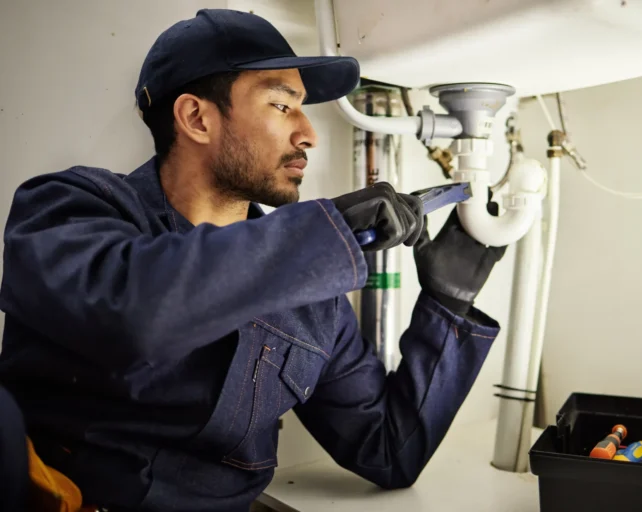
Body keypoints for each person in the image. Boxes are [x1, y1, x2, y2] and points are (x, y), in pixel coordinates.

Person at [0, 9, 506, 512]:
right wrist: (328, 233)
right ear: (197, 118)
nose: (309, 133)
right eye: (283, 106)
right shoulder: (66, 209)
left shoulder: (316, 298)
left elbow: (389, 449)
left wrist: (448, 304)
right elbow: (137, 311)